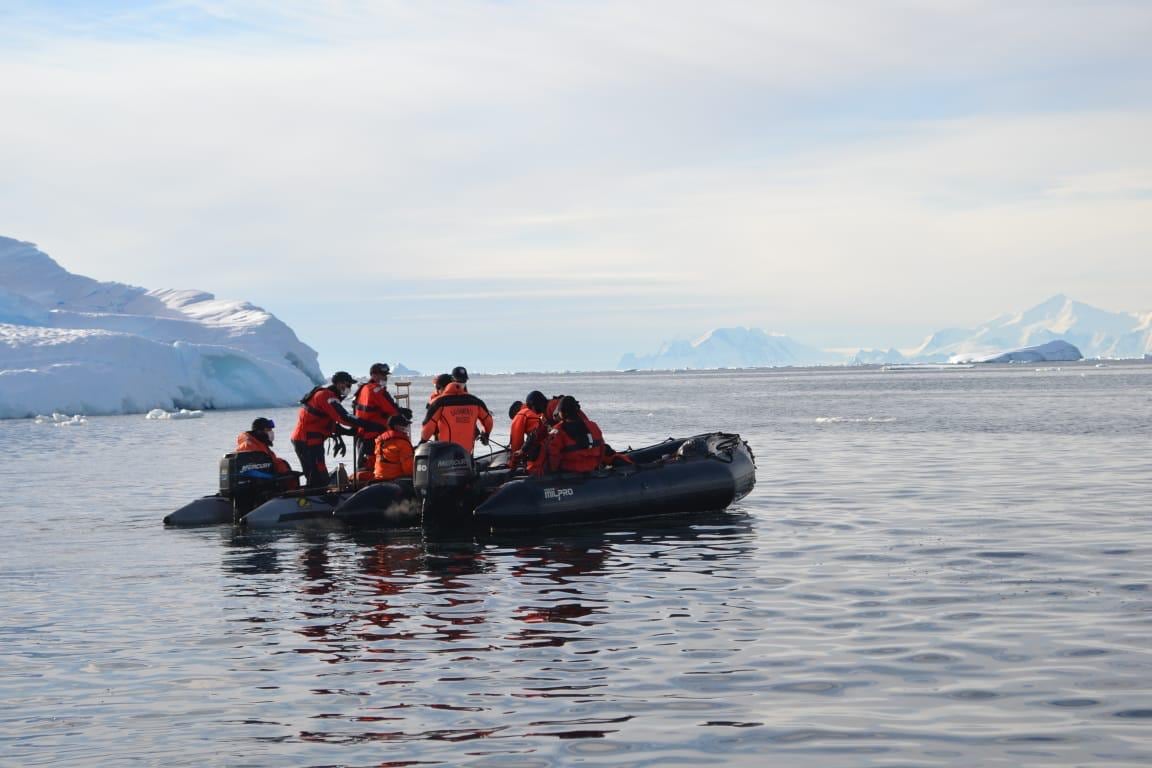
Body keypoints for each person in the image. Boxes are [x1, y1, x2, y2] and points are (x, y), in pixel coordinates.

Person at [291, 371, 383, 487]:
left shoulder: (328, 395)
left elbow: (329, 421)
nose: (349, 388)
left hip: (309, 439)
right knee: (317, 473)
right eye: (348, 385)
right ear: (340, 384)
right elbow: (342, 416)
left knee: (316, 472)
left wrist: (347, 431)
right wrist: (366, 424)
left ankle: (317, 494)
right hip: (306, 440)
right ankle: (316, 499)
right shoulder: (327, 396)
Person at [353, 363, 411, 473]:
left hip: (363, 435)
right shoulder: (376, 390)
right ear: (374, 375)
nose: (385, 377)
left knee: (365, 467)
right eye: (382, 375)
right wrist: (402, 414)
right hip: (373, 435)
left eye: (386, 375)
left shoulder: (364, 388)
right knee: (374, 467)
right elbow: (390, 408)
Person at [420, 373, 493, 453]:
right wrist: (486, 434)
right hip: (467, 453)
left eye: (437, 387)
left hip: (445, 453)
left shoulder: (439, 403)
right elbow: (488, 421)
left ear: (441, 387)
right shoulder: (475, 401)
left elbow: (428, 427)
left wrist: (423, 441)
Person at [539, 395, 604, 474]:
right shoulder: (593, 425)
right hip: (592, 469)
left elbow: (553, 454)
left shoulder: (557, 430)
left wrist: (552, 472)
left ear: (562, 412)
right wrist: (598, 466)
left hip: (570, 472)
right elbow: (602, 448)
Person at [235, 417, 299, 489]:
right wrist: (281, 475)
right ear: (259, 431)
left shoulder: (260, 444)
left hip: (268, 480)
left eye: (271, 430)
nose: (271, 432)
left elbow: (270, 463)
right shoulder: (249, 446)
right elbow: (257, 469)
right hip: (260, 486)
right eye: (268, 430)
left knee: (283, 463)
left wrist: (286, 472)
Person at [507, 390, 548, 471]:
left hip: (539, 449)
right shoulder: (538, 408)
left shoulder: (520, 415)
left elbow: (517, 443)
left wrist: (513, 465)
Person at [374, 413, 415, 481]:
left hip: (379, 477)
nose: (405, 427)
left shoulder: (380, 440)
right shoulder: (403, 444)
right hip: (395, 479)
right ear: (396, 426)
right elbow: (409, 469)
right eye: (403, 425)